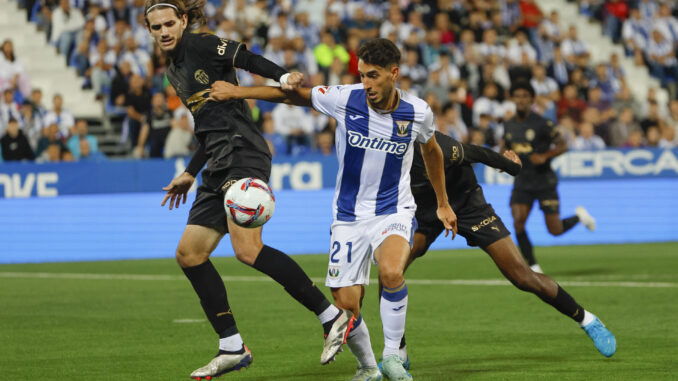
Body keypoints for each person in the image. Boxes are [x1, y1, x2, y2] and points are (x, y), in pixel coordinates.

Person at [209, 37, 458, 381]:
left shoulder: (417, 112)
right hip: (348, 216)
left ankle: (392, 357)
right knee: (346, 305)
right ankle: (368, 367)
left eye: (373, 76)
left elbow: (432, 151)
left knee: (390, 273)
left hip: (394, 209)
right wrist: (238, 93)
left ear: (394, 73)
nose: (366, 83)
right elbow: (291, 96)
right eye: (362, 75)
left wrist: (443, 203)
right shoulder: (344, 97)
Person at [143, 1, 353, 379]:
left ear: (184, 21)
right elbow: (208, 126)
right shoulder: (173, 69)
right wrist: (191, 172)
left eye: (169, 23)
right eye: (156, 27)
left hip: (243, 150)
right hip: (215, 161)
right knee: (190, 254)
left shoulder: (201, 44)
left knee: (247, 250)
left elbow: (245, 56)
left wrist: (284, 75)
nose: (164, 32)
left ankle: (332, 316)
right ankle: (231, 347)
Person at [380, 131, 616, 371]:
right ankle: (398, 352)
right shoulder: (380, 157)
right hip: (425, 211)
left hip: (468, 205)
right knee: (389, 272)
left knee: (522, 277)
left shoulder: (432, 145)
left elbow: (476, 152)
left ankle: (587, 320)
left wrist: (511, 166)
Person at [503, 81, 596, 274]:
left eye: (524, 97)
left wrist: (545, 156)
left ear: (531, 100)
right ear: (513, 99)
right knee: (518, 221)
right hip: (522, 180)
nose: (520, 100)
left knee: (554, 230)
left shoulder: (542, 123)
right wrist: (502, 160)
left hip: (544, 180)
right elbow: (506, 147)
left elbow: (563, 145)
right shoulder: (509, 125)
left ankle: (579, 217)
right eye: (517, 96)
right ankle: (533, 265)